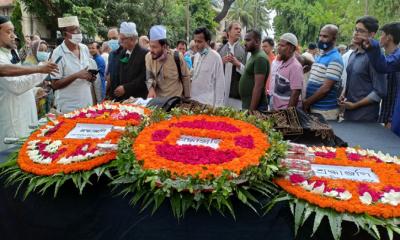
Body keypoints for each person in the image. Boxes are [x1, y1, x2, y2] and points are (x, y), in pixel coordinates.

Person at [0, 16, 58, 151]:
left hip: (25, 116)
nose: (14, 36)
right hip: (12, 122)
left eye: (13, 31)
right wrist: (41, 69)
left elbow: (16, 81)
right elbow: (16, 86)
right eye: (8, 32)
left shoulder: (10, 52)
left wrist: (34, 90)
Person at [340, 16, 387, 122]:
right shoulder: (353, 54)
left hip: (365, 118)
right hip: (349, 115)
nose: (356, 33)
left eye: (361, 31)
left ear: (371, 35)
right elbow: (352, 79)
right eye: (355, 29)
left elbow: (380, 92)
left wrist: (355, 105)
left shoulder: (375, 56)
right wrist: (343, 94)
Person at [50, 16, 97, 113]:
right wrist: (76, 75)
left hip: (87, 104)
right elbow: (55, 85)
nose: (78, 32)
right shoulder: (58, 53)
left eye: (78, 28)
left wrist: (90, 77)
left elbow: (86, 73)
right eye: (73, 30)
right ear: (65, 34)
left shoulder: (84, 48)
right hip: (69, 107)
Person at [361, 22, 400, 136]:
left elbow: (383, 66)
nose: (379, 38)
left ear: (389, 37)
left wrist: (391, 119)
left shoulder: (396, 57)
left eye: (381, 34)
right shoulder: (390, 57)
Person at [303, 24, 344, 120]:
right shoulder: (320, 55)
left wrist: (307, 102)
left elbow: (326, 88)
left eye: (325, 36)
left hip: (325, 111)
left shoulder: (335, 59)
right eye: (320, 35)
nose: (321, 39)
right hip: (314, 108)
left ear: (334, 39)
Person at [146, 25, 190, 98]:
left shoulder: (177, 57)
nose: (151, 50)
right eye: (150, 46)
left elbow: (186, 78)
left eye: (154, 47)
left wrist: (187, 98)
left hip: (176, 100)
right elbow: (149, 76)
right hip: (158, 102)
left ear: (164, 46)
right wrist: (151, 89)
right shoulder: (148, 57)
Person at [112, 21, 148, 101]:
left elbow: (144, 78)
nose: (120, 41)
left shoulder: (145, 54)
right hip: (123, 98)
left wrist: (126, 88)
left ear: (131, 39)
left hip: (137, 98)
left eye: (122, 39)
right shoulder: (123, 53)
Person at [191, 27, 225, 107]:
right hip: (194, 102)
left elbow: (220, 84)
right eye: (195, 41)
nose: (196, 44)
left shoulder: (215, 57)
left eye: (199, 41)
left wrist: (218, 107)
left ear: (208, 42)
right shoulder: (196, 56)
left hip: (208, 104)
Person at [270, 33, 303, 110]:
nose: (278, 48)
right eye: (278, 45)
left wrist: (287, 115)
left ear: (291, 48)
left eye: (282, 46)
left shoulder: (295, 67)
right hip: (277, 110)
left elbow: (295, 94)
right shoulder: (282, 62)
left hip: (285, 112)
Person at [239, 30, 269, 112]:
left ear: (257, 41)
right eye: (245, 40)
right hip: (248, 105)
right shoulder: (253, 55)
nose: (245, 43)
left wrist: (251, 111)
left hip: (256, 107)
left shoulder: (260, 58)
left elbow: (258, 86)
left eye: (248, 40)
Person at [218, 21, 246, 109]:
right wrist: (221, 62)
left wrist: (237, 63)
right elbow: (214, 70)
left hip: (236, 94)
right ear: (228, 32)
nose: (239, 31)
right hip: (221, 92)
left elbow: (248, 73)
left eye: (240, 29)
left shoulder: (244, 50)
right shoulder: (220, 50)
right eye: (236, 28)